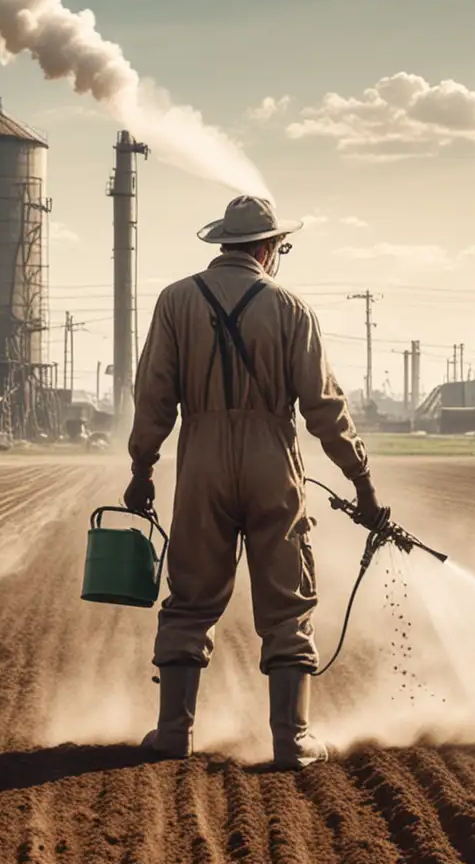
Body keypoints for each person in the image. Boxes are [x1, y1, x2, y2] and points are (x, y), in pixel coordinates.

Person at [124, 194, 387, 770]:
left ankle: (174, 732)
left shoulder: (175, 301)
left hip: (201, 458)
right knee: (287, 599)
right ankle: (291, 741)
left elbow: (154, 395)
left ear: (224, 244)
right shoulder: (292, 308)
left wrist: (142, 468)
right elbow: (324, 407)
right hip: (273, 456)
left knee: (192, 596)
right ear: (268, 248)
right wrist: (360, 479)